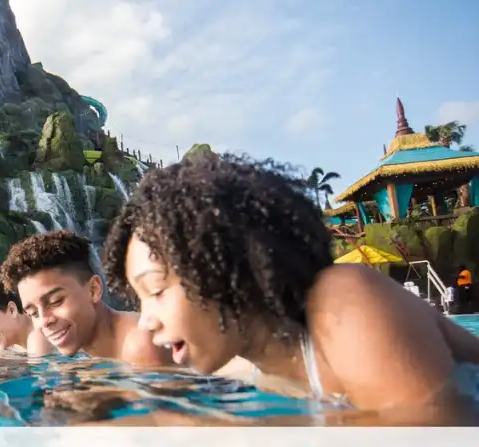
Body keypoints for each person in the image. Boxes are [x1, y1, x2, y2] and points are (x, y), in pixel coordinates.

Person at [102, 153, 479, 423]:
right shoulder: (252, 370)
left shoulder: (346, 303)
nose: (145, 322)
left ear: (228, 265)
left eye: (156, 291)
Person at [0, 229, 176, 367]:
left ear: (93, 289)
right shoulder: (84, 350)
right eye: (33, 313)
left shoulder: (140, 344)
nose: (44, 321)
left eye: (55, 302)